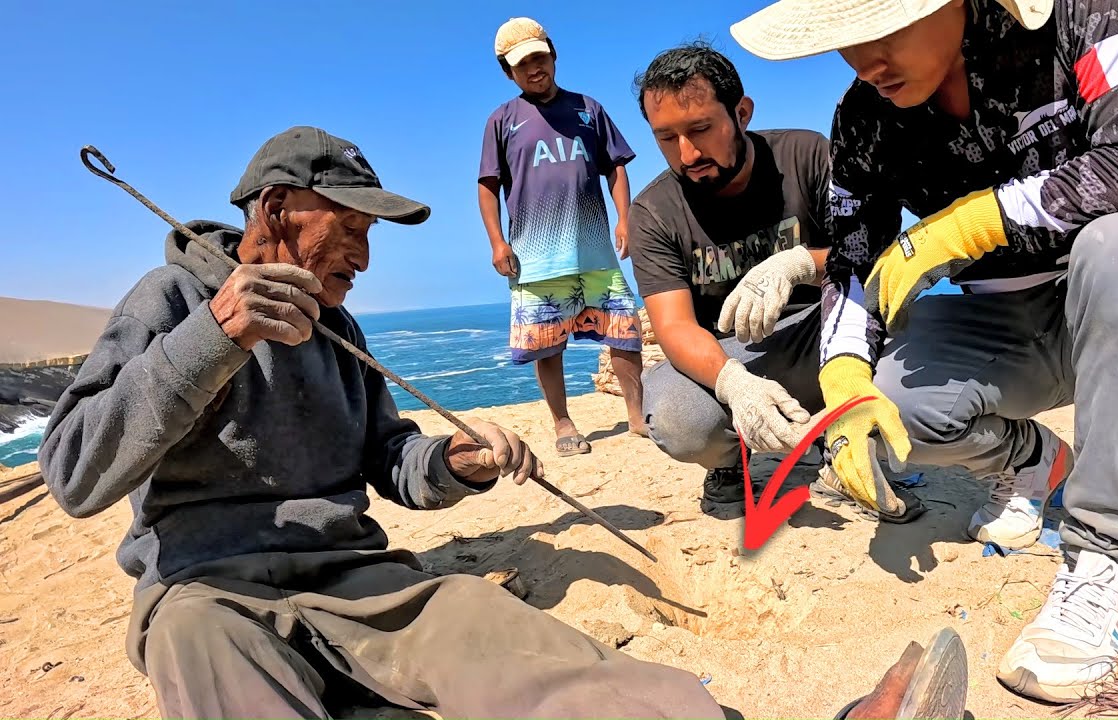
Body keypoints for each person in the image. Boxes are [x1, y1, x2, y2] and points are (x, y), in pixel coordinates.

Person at [38, 126, 725, 719]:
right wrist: (213, 338)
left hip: (354, 579)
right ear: (277, 209)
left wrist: (454, 462)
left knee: (476, 617)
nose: (364, 258)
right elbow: (72, 474)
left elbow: (387, 456)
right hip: (207, 592)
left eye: (369, 235)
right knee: (199, 647)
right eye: (351, 229)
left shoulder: (339, 327)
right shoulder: (172, 299)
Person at [731, 0, 1118, 703]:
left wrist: (980, 217)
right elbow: (852, 262)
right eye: (844, 42)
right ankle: (1034, 461)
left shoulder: (1082, 18)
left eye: (882, 30)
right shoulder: (864, 114)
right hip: (1003, 328)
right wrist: (842, 378)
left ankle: (1102, 560)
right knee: (889, 403)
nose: (866, 62)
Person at [627, 42, 835, 518]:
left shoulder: (805, 155)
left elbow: (871, 258)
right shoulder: (653, 212)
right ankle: (729, 462)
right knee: (679, 420)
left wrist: (799, 263)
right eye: (666, 138)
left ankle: (843, 434)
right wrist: (733, 384)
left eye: (700, 128)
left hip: (820, 330)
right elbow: (675, 327)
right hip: (731, 352)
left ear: (741, 113)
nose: (686, 153)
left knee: (900, 312)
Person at [478, 16, 646, 457]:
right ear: (508, 72)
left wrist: (623, 219)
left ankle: (636, 414)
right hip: (536, 257)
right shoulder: (502, 120)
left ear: (552, 54)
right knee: (548, 345)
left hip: (595, 252)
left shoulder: (588, 108)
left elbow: (616, 167)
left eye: (539, 57)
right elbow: (487, 185)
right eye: (522, 64)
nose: (534, 69)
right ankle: (563, 423)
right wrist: (498, 242)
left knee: (624, 332)